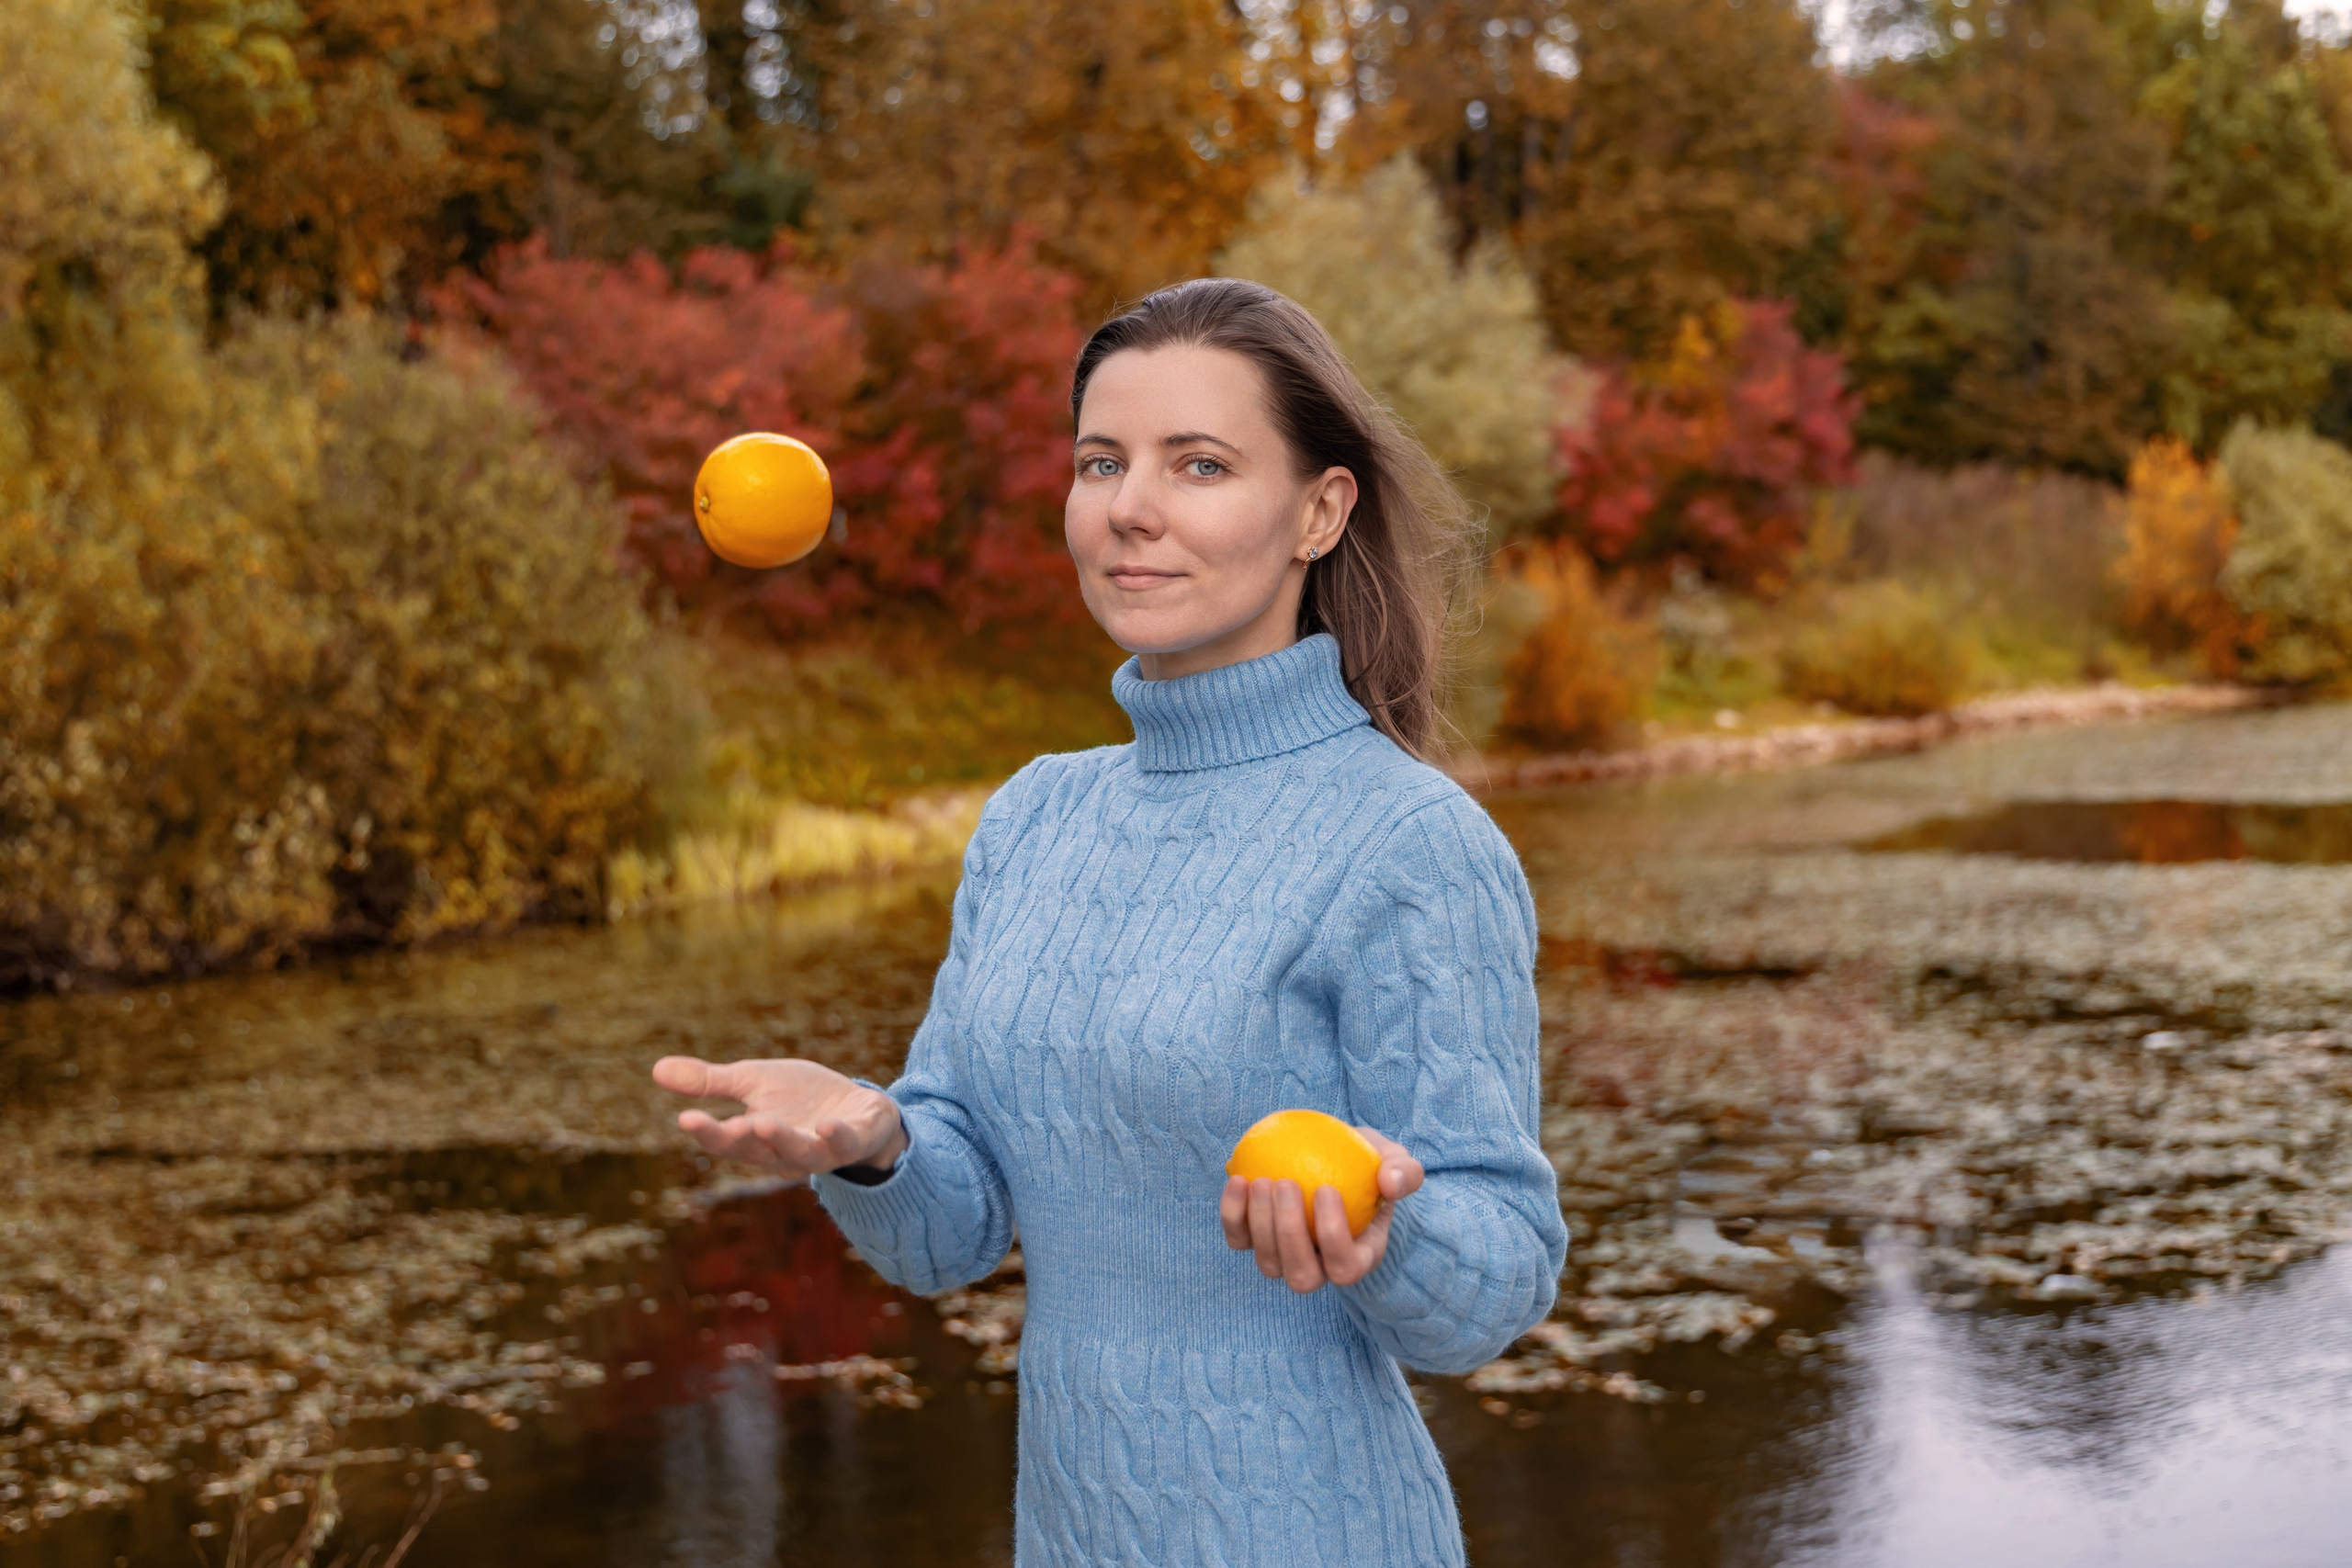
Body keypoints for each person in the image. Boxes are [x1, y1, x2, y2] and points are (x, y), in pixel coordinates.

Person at [652, 276, 1567, 1567]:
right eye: (1101, 462)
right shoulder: (1037, 816)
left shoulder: (1410, 841)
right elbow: (954, 1232)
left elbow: (1498, 1277)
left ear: (1320, 512)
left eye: (1200, 464)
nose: (1130, 507)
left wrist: (1383, 1226)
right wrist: (873, 1141)